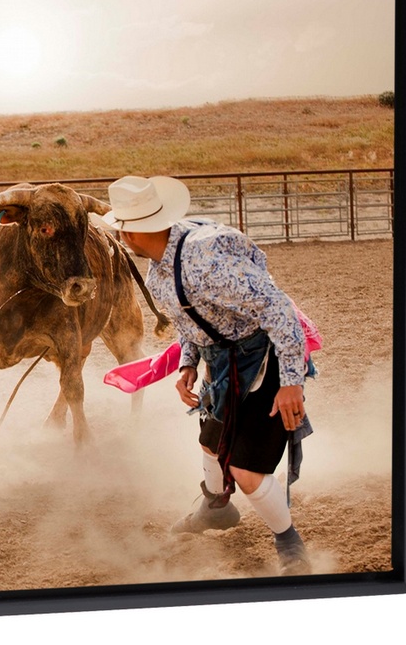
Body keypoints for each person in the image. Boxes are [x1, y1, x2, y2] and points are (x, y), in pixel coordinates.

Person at [93, 175, 313, 575]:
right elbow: (191, 321)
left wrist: (292, 381)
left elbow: (277, 308)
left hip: (266, 360)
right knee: (211, 443)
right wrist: (188, 364)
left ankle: (289, 543)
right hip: (224, 363)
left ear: (131, 233)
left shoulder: (204, 260)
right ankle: (215, 509)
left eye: (121, 229)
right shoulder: (161, 269)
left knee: (244, 470)